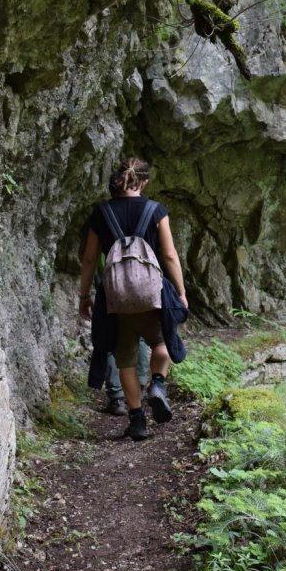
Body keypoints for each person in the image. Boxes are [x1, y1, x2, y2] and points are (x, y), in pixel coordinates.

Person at [78, 156, 189, 441]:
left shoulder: (100, 213)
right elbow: (168, 255)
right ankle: (158, 385)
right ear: (144, 181)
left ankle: (137, 419)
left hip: (116, 297)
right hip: (152, 293)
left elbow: (90, 259)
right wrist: (180, 290)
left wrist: (84, 295)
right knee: (162, 341)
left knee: (125, 359)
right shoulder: (156, 211)